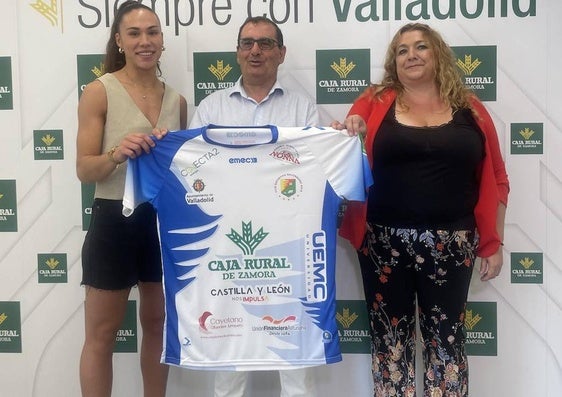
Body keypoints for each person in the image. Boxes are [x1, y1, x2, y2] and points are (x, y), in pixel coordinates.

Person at [333, 23, 509, 396]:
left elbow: (496, 176)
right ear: (393, 62)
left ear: (437, 54)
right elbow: (344, 161)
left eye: (421, 47)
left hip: (452, 243)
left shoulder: (471, 108)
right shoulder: (373, 101)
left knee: (447, 345)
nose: (411, 55)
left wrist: (494, 241)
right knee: (389, 345)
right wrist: (351, 134)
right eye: (402, 50)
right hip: (383, 243)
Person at [189, 16, 318, 397]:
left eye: (265, 43)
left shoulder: (302, 110)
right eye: (247, 43)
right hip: (228, 245)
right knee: (230, 347)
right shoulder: (211, 109)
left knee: (295, 347)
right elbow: (191, 169)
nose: (255, 51)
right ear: (237, 52)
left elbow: (317, 171)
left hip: (287, 245)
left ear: (281, 53)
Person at [76, 2, 187, 396]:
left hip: (161, 223)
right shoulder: (99, 91)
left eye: (153, 32)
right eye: (135, 33)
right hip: (113, 220)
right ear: (119, 41)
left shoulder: (177, 101)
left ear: (162, 40)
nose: (146, 41)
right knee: (102, 333)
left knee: (157, 324)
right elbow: (84, 170)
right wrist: (115, 153)